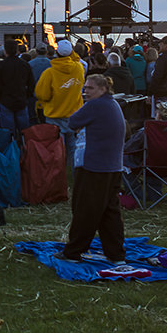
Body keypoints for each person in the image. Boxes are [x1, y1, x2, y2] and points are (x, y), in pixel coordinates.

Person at [62, 74, 127, 263]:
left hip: (94, 166)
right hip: (113, 166)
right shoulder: (113, 104)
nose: (85, 92)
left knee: (85, 211)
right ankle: (115, 253)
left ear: (102, 89)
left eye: (90, 88)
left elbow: (73, 122)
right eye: (85, 87)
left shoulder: (96, 106)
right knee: (109, 212)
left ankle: (73, 252)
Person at [35, 40, 86, 163]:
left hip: (55, 114)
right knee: (73, 146)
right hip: (74, 112)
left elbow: (42, 94)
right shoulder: (79, 68)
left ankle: (59, 171)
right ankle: (73, 169)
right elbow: (77, 59)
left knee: (57, 147)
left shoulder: (50, 73)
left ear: (56, 53)